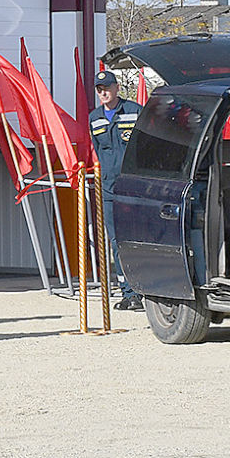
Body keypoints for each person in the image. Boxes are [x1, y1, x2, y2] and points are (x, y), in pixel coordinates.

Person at [89, 69, 142, 311]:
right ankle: (128, 293)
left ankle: (144, 291)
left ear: (117, 87)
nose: (103, 93)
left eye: (107, 88)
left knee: (137, 239)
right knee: (116, 242)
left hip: (133, 188)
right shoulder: (94, 118)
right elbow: (98, 152)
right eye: (99, 90)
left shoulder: (134, 111)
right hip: (109, 190)